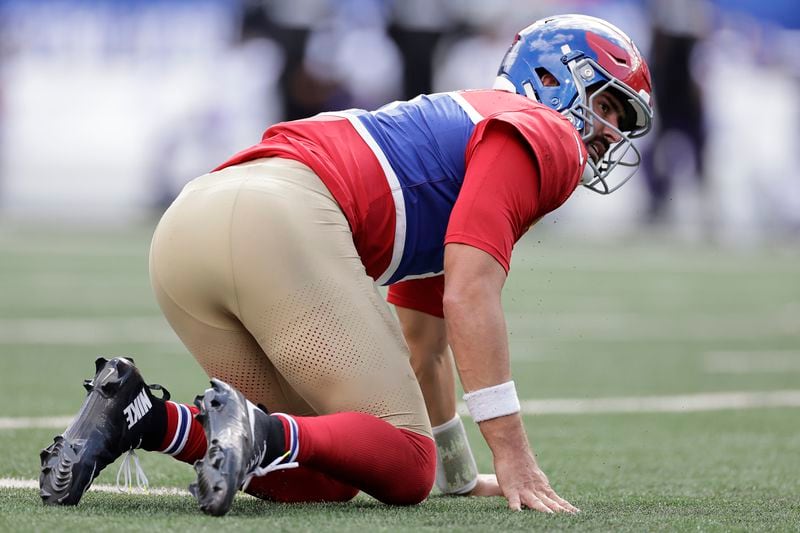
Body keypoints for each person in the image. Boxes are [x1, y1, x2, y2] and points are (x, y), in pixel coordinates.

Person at [39, 14, 652, 515]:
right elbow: (470, 294)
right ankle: (254, 431)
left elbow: (426, 341)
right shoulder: (540, 132)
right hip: (280, 219)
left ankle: (143, 417)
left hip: (187, 227)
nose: (610, 133)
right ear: (552, 79)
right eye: (609, 106)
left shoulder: (463, 143)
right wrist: (512, 453)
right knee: (409, 465)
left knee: (321, 472)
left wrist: (462, 476)